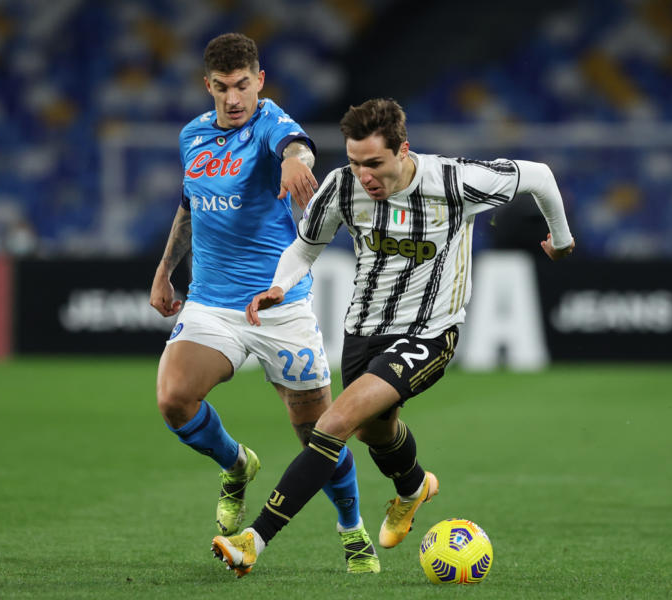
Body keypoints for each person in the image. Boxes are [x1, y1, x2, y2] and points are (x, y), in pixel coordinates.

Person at [211, 98, 574, 577]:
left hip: (430, 333)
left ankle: (253, 540)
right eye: (355, 162)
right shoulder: (341, 186)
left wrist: (561, 240)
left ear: (403, 150)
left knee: (334, 424)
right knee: (372, 432)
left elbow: (540, 176)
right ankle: (414, 486)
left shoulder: (453, 181)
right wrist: (280, 285)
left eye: (375, 163)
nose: (364, 175)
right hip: (362, 330)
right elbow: (305, 247)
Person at [149, 33, 379, 574]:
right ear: (207, 85)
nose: (234, 98)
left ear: (260, 81)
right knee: (175, 399)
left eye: (243, 85)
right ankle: (236, 465)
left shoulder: (272, 123)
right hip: (211, 303)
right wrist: (164, 271)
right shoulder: (192, 136)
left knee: (318, 433)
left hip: (280, 305)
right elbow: (189, 207)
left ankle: (352, 528)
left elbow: (296, 145)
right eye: (222, 87)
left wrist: (295, 163)